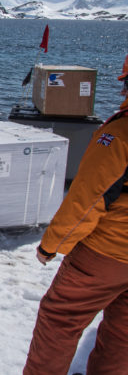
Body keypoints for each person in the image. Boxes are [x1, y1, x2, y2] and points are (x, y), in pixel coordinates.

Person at [23, 54, 128, 375]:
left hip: (108, 251)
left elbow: (88, 198)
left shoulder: (119, 135)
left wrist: (52, 244)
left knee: (59, 319)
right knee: (123, 333)